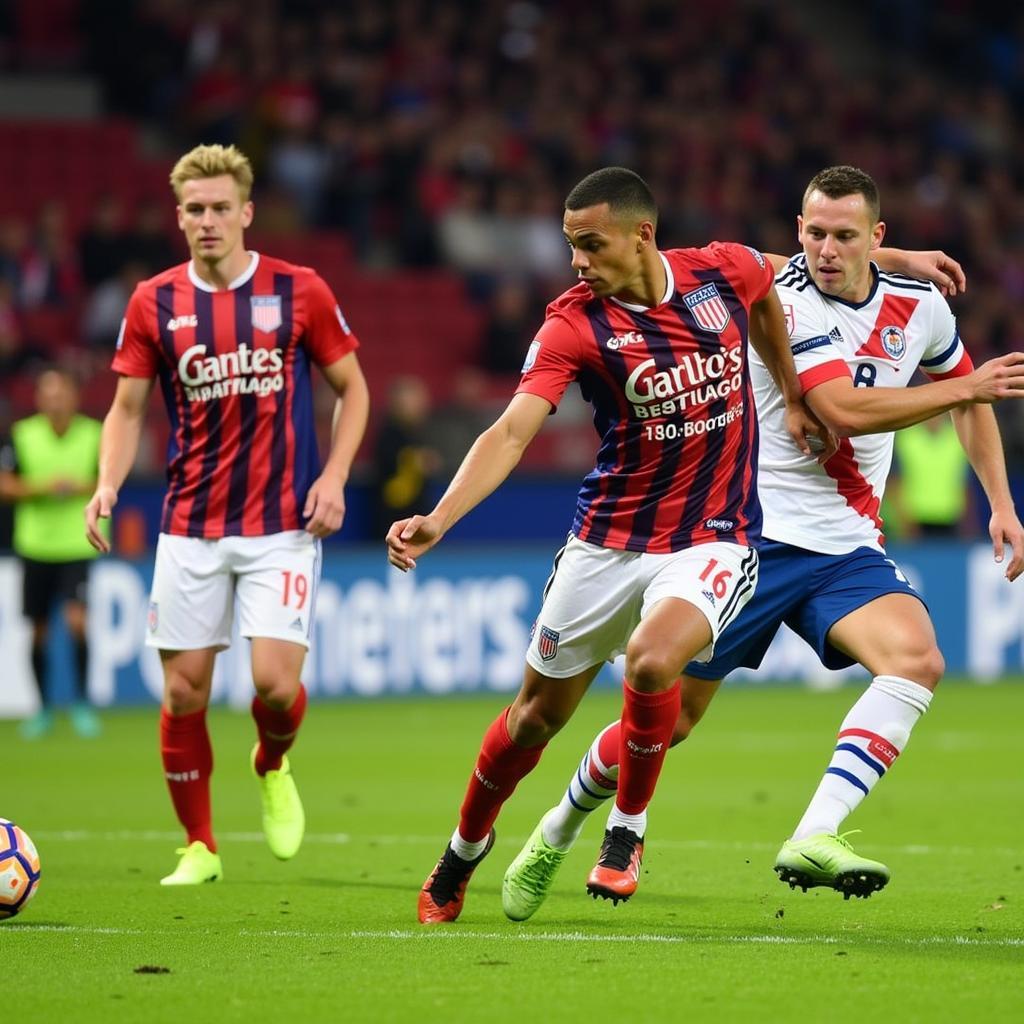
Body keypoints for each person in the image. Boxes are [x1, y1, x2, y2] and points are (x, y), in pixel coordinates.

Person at [501, 165, 1024, 920]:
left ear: (876, 238)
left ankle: (815, 834)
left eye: (844, 235)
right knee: (670, 723)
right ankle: (561, 824)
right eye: (812, 232)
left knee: (917, 660)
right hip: (744, 539)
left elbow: (967, 399)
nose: (824, 249)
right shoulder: (779, 296)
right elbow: (843, 407)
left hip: (844, 544)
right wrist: (962, 389)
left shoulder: (922, 309)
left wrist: (1001, 502)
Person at [387, 166, 826, 923]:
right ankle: (463, 849)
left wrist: (788, 390)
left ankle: (625, 832)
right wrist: (442, 516)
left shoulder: (723, 271)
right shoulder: (572, 324)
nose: (577, 261)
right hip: (606, 544)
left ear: (641, 233)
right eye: (570, 246)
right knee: (533, 720)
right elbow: (512, 430)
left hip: (712, 536)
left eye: (590, 244)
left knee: (657, 661)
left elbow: (777, 294)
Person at [84, 143, 370, 886]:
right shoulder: (154, 301)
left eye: (219, 208)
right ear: (178, 217)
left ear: (246, 212)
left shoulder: (298, 290)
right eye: (194, 210)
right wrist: (107, 484)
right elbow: (124, 409)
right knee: (184, 693)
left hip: (281, 527)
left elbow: (354, 388)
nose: (207, 221)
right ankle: (200, 847)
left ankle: (271, 760)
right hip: (189, 526)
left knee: (274, 687)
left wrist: (334, 477)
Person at [0, 367, 104, 739]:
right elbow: (5, 484)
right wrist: (41, 488)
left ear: (75, 397)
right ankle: (43, 708)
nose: (55, 400)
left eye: (61, 393)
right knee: (39, 631)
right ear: (39, 399)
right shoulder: (22, 435)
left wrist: (80, 486)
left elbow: (109, 479)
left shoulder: (95, 434)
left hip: (78, 544)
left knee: (77, 622)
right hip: (36, 545)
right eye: (48, 394)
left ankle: (81, 704)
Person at [890, 413, 971, 538]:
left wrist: (967, 522)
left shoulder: (957, 437)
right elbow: (894, 482)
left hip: (950, 517)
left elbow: (963, 483)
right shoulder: (905, 437)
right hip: (914, 519)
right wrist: (903, 519)